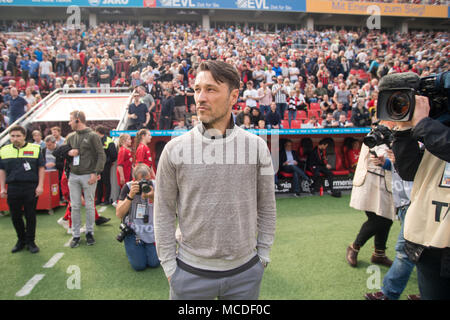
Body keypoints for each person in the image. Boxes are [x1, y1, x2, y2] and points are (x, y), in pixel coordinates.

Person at [154, 60, 276, 300]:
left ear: (233, 97)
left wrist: (263, 255)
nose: (200, 97)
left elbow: (267, 206)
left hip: (245, 274)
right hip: (189, 274)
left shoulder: (256, 147)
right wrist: (170, 267)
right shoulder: (173, 149)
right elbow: (163, 212)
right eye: (197, 89)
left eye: (210, 89)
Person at [392, 95, 450, 300]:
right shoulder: (438, 125)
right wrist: (404, 130)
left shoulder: (431, 127)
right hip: (427, 241)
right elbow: (408, 171)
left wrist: (423, 124)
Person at [364, 149, 419, 300]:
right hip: (404, 202)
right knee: (425, 251)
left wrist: (403, 158)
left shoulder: (429, 135)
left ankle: (389, 294)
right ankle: (429, 291)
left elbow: (424, 169)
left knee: (404, 250)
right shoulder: (408, 136)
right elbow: (402, 171)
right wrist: (387, 163)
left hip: (416, 202)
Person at [347, 128, 395, 268]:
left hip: (388, 182)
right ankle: (354, 247)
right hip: (370, 181)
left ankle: (379, 254)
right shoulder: (375, 133)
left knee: (386, 218)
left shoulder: (397, 134)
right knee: (377, 219)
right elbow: (375, 155)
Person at [64, 110, 106, 248]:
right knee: (75, 206)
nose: (69, 123)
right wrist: (68, 152)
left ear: (77, 120)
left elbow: (101, 155)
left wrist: (96, 172)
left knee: (89, 205)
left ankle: (89, 232)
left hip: (89, 175)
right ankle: (76, 235)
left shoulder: (93, 136)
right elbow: (61, 153)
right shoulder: (70, 136)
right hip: (73, 175)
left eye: (70, 120)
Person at [0, 125, 45, 253]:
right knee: (15, 216)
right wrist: (2, 187)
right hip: (13, 187)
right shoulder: (4, 150)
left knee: (30, 215)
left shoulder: (35, 148)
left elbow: (41, 168)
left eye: (18, 136)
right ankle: (21, 240)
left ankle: (31, 241)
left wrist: (40, 185)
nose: (15, 138)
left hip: (30, 187)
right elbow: (2, 170)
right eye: (12, 136)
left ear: (24, 136)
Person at [116, 164, 160, 271]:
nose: (145, 184)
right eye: (141, 181)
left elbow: (168, 210)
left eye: (148, 180)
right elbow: (119, 214)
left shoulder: (156, 186)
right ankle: (134, 249)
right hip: (134, 232)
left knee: (154, 263)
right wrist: (130, 196)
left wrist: (153, 197)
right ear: (135, 180)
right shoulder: (128, 187)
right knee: (139, 266)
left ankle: (143, 249)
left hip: (151, 230)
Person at [95, 125, 118, 205]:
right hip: (97, 166)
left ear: (98, 132)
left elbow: (114, 155)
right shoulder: (96, 140)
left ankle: (106, 200)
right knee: (98, 182)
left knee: (106, 182)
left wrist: (106, 161)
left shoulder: (109, 141)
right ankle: (99, 199)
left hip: (105, 165)